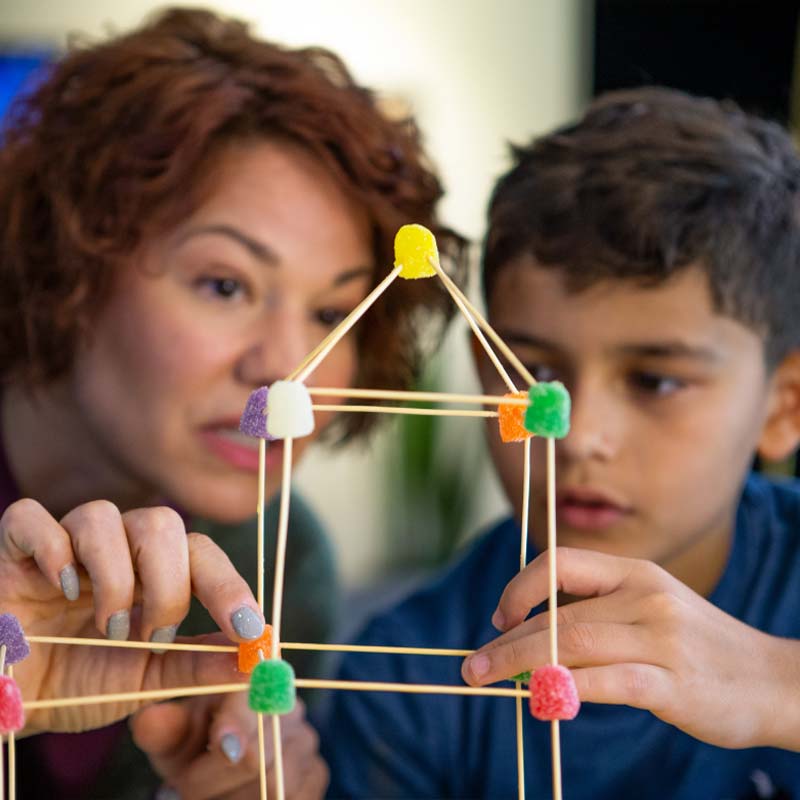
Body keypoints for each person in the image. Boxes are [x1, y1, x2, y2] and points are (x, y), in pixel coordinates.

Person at [0, 7, 464, 799]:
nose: (289, 368)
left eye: (332, 314)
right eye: (225, 285)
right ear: (69, 265)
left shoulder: (277, 565)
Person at [320, 86, 800, 799]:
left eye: (656, 381)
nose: (577, 436)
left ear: (783, 408)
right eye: (533, 372)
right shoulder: (404, 679)